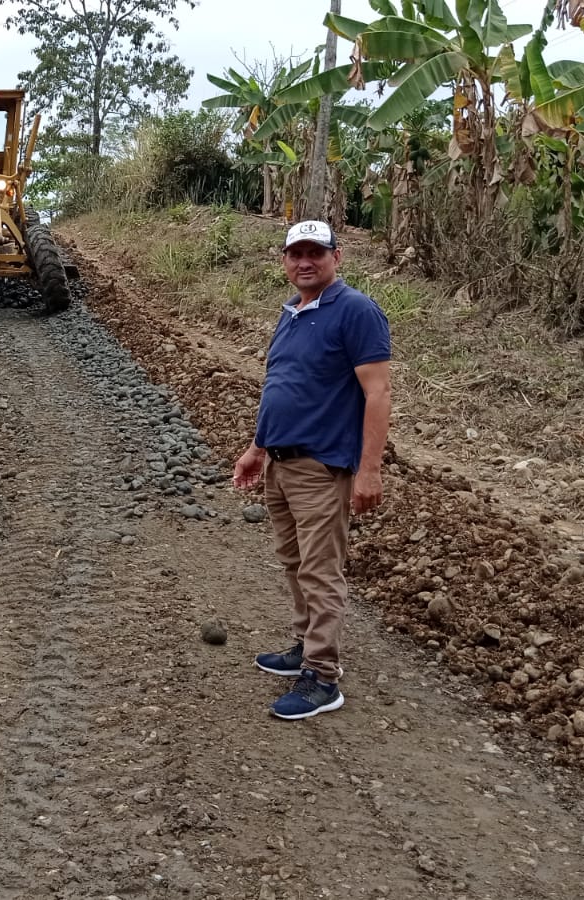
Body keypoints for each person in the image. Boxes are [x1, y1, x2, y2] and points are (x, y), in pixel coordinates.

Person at [231, 220, 392, 720]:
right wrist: (257, 449)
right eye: (295, 253)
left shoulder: (356, 311)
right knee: (294, 561)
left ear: (336, 258)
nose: (305, 262)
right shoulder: (293, 313)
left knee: (321, 571)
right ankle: (304, 645)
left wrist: (369, 470)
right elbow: (283, 386)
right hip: (281, 463)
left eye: (315, 253)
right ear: (284, 260)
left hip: (321, 466)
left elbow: (378, 393)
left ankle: (322, 677)